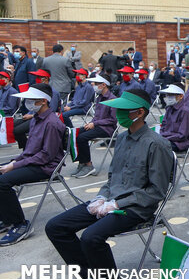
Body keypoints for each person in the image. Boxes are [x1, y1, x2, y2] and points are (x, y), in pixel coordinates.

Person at [46, 89, 174, 279]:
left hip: (135, 208)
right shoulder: (122, 138)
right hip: (111, 199)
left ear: (140, 112)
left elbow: (157, 191)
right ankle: (92, 275)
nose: (117, 114)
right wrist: (101, 197)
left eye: (123, 110)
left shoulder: (157, 144)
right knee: (56, 227)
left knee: (91, 236)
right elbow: (113, 177)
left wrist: (117, 205)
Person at [0, 84, 65, 246]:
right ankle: (7, 218)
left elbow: (45, 156)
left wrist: (15, 166)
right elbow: (29, 149)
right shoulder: (36, 119)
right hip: (33, 161)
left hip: (45, 167)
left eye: (31, 100)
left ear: (43, 101)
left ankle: (20, 224)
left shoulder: (51, 123)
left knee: (3, 182)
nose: (27, 103)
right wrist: (15, 161)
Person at [71, 74, 117, 178]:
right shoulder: (99, 97)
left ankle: (88, 165)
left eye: (96, 84)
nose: (93, 85)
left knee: (82, 138)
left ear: (103, 85)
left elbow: (113, 120)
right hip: (97, 126)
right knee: (75, 133)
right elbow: (97, 116)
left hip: (107, 129)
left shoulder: (112, 99)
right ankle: (82, 163)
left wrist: (94, 124)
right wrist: (91, 123)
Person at [12, 69, 61, 150]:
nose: (36, 79)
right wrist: (29, 113)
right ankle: (28, 146)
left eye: (39, 77)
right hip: (32, 115)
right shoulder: (36, 90)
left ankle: (27, 148)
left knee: (17, 131)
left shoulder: (53, 93)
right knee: (11, 125)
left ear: (45, 79)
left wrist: (31, 116)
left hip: (40, 117)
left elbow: (51, 109)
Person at [158, 84, 189, 152]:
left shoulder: (185, 112)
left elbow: (182, 135)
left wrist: (166, 138)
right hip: (167, 139)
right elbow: (163, 126)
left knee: (156, 147)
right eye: (167, 95)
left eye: (171, 95)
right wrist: (161, 136)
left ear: (180, 96)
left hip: (179, 143)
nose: (168, 97)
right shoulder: (169, 108)